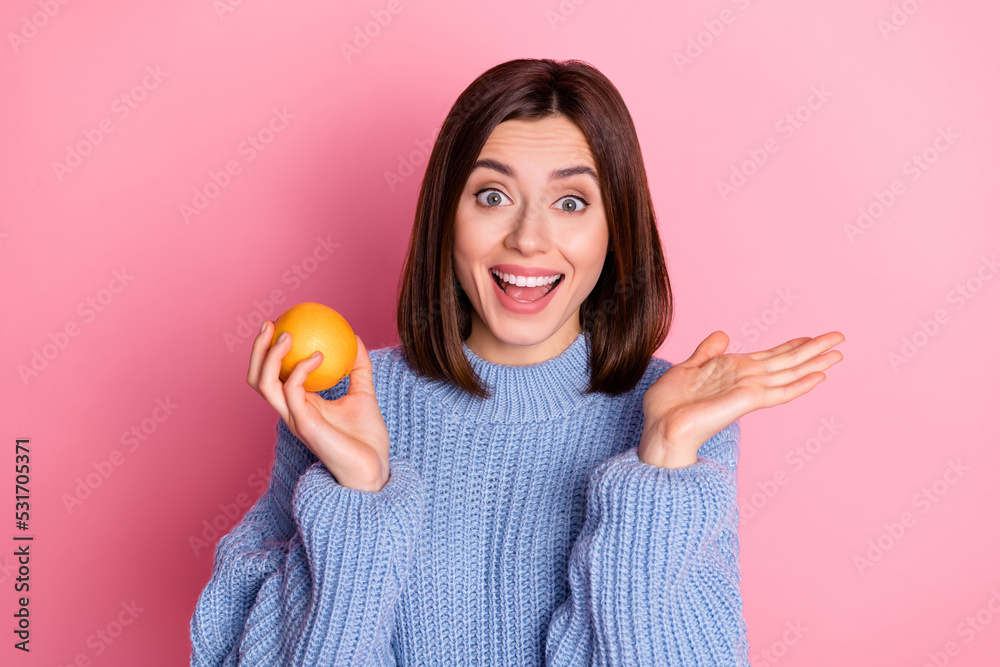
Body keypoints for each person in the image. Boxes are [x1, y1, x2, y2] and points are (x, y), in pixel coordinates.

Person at [189, 58, 844, 666]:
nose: (528, 237)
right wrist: (358, 495)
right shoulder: (338, 403)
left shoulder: (683, 416)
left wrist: (663, 459)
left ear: (617, 230)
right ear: (446, 216)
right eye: (492, 196)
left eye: (571, 203)